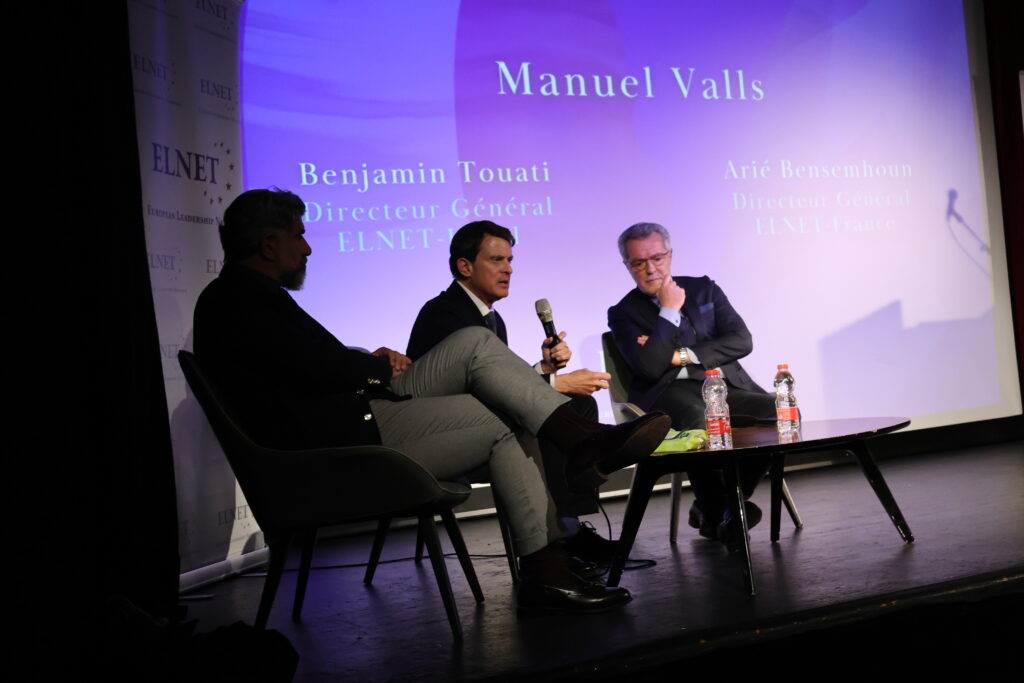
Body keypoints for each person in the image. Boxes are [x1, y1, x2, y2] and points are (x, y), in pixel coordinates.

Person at [193, 189, 671, 613]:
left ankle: (564, 513)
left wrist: (362, 357)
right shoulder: (240, 299)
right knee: (501, 406)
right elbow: (314, 370)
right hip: (342, 441)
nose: (308, 246)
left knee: (476, 347)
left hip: (360, 417)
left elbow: (306, 363)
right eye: (298, 235)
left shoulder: (249, 296)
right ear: (269, 243)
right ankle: (556, 536)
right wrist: (374, 366)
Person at [407, 221, 618, 568]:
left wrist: (545, 369)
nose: (508, 269)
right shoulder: (444, 314)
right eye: (496, 260)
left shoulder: (491, 318)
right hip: (447, 434)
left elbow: (499, 384)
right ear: (465, 266)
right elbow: (469, 392)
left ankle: (571, 526)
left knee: (577, 404)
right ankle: (566, 535)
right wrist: (555, 385)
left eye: (510, 260)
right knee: (549, 414)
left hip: (482, 418)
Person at [606, 222, 772, 547]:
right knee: (699, 417)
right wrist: (668, 311)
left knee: (773, 412)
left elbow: (742, 340)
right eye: (639, 263)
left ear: (669, 255)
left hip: (722, 385)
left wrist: (679, 354)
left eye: (656, 257)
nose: (650, 268)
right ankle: (723, 512)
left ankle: (721, 507)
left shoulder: (704, 289)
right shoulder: (623, 313)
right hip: (668, 393)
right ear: (627, 266)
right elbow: (651, 367)